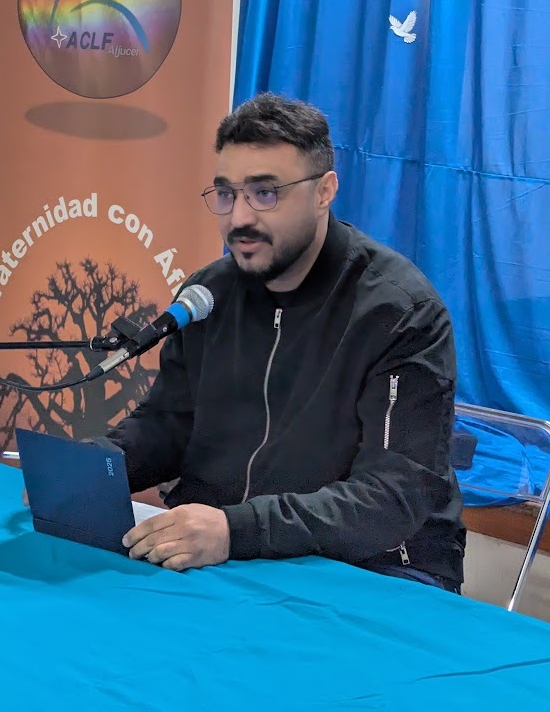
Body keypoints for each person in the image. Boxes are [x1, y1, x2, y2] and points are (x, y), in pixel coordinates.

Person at [107, 93, 466, 593]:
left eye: (265, 193)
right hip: (226, 557)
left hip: (376, 568)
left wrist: (236, 530)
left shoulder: (399, 312)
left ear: (324, 192)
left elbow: (392, 497)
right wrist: (96, 467)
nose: (239, 218)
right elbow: (169, 426)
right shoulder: (209, 294)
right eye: (227, 194)